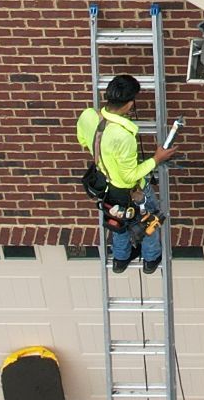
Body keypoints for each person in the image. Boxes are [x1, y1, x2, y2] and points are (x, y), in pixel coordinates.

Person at [75, 74, 176, 273]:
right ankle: (151, 259)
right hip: (131, 189)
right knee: (148, 222)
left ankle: (120, 260)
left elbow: (84, 142)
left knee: (117, 221)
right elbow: (130, 176)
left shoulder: (88, 116)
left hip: (104, 183)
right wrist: (157, 158)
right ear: (130, 104)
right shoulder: (123, 136)